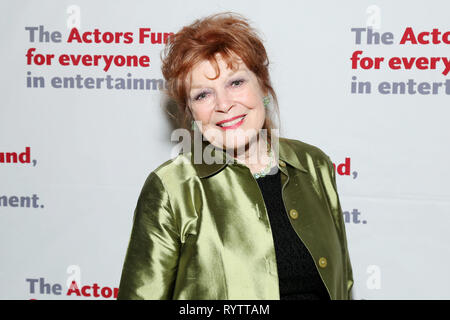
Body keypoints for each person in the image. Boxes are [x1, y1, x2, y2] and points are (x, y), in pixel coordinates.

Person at [117, 12, 353, 300]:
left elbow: (343, 284)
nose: (224, 105)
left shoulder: (314, 165)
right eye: (203, 95)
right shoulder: (172, 188)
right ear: (190, 113)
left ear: (263, 85)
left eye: (236, 82)